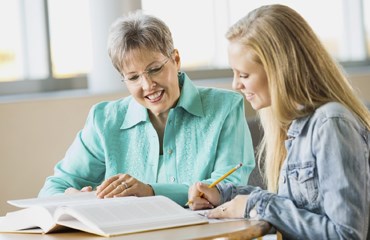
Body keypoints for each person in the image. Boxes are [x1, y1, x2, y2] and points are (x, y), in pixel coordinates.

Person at [188, 4, 370, 239]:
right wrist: (225, 195)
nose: (235, 85)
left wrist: (254, 204)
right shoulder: (294, 125)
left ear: (279, 71)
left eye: (244, 75)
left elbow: (346, 234)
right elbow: (294, 207)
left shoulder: (331, 124)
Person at [38, 11, 255, 206]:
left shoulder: (226, 107)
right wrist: (71, 198)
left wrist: (151, 192)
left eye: (155, 69)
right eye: (133, 77)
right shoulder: (103, 120)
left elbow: (229, 188)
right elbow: (52, 188)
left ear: (176, 60)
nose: (148, 85)